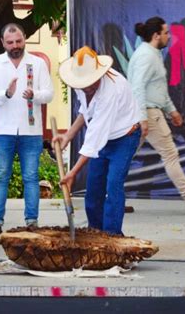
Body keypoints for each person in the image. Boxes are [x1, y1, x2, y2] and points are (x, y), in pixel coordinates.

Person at [127, 16, 185, 214]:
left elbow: (157, 88)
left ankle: (109, 197)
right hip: (148, 112)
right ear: (156, 35)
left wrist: (171, 110)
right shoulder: (147, 56)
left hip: (150, 111)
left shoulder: (152, 54)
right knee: (169, 154)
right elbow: (138, 87)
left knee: (125, 156)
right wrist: (142, 117)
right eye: (166, 32)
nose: (169, 36)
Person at [53, 46, 141, 235]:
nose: (88, 86)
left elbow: (94, 137)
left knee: (113, 184)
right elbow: (86, 112)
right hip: (104, 138)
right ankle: (95, 233)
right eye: (84, 83)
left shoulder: (112, 90)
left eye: (92, 82)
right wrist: (68, 135)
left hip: (125, 137)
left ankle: (112, 236)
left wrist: (73, 172)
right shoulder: (80, 85)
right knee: (93, 188)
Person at [0, 23, 54, 237]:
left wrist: (35, 95)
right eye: (10, 42)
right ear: (2, 42)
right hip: (2, 129)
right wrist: (6, 94)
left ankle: (32, 221)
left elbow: (48, 93)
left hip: (31, 131)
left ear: (24, 39)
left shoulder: (37, 63)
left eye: (19, 41)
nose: (15, 45)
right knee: (1, 175)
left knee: (31, 177)